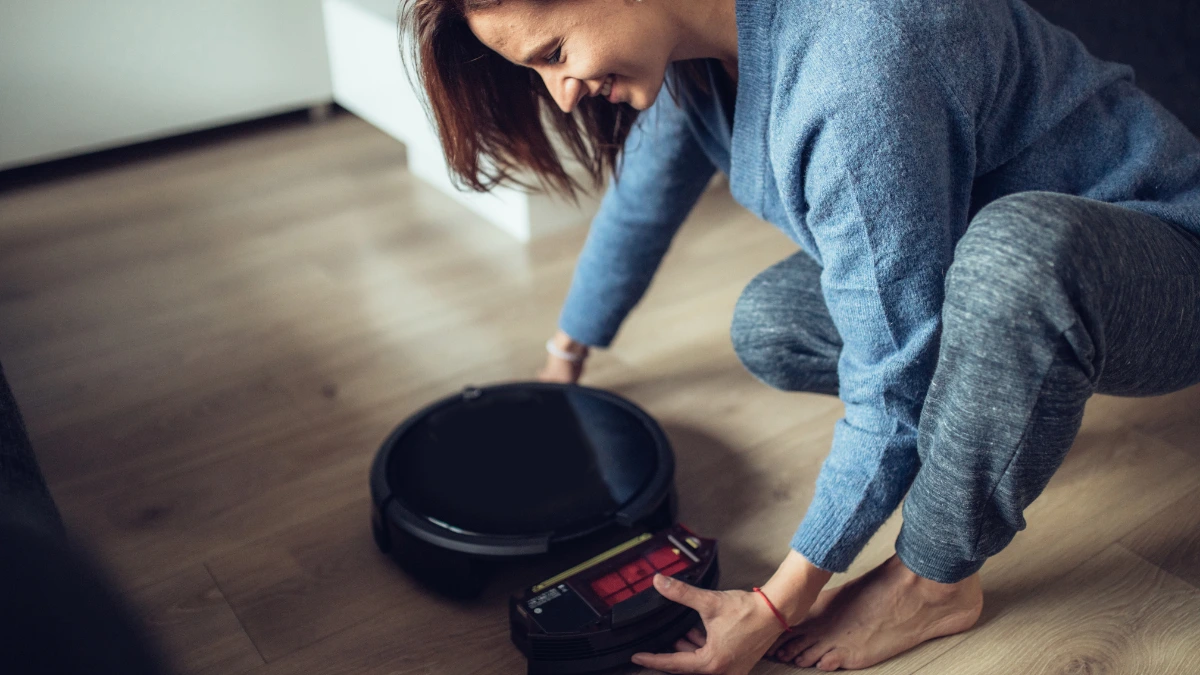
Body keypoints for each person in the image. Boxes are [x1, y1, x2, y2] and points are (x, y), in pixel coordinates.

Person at [400, 0, 1200, 672]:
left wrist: (777, 602)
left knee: (1008, 261)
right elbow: (641, 205)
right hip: (994, 273)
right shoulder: (696, 58)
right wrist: (561, 360)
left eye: (555, 51)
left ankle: (935, 584)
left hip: (1162, 256)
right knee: (772, 322)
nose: (563, 95)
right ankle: (1016, 393)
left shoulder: (856, 66)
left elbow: (891, 383)